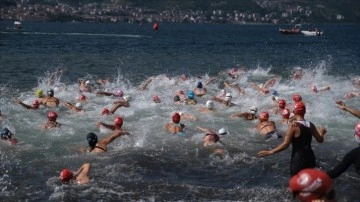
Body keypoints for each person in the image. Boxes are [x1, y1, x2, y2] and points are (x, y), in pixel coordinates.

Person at [258, 102, 327, 176]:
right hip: (311, 158)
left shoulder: (293, 126)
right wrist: (322, 133)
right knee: (310, 182)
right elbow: (320, 140)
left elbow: (285, 144)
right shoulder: (311, 125)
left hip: (299, 160)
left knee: (296, 183)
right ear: (305, 112)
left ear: (294, 112)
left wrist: (270, 152)